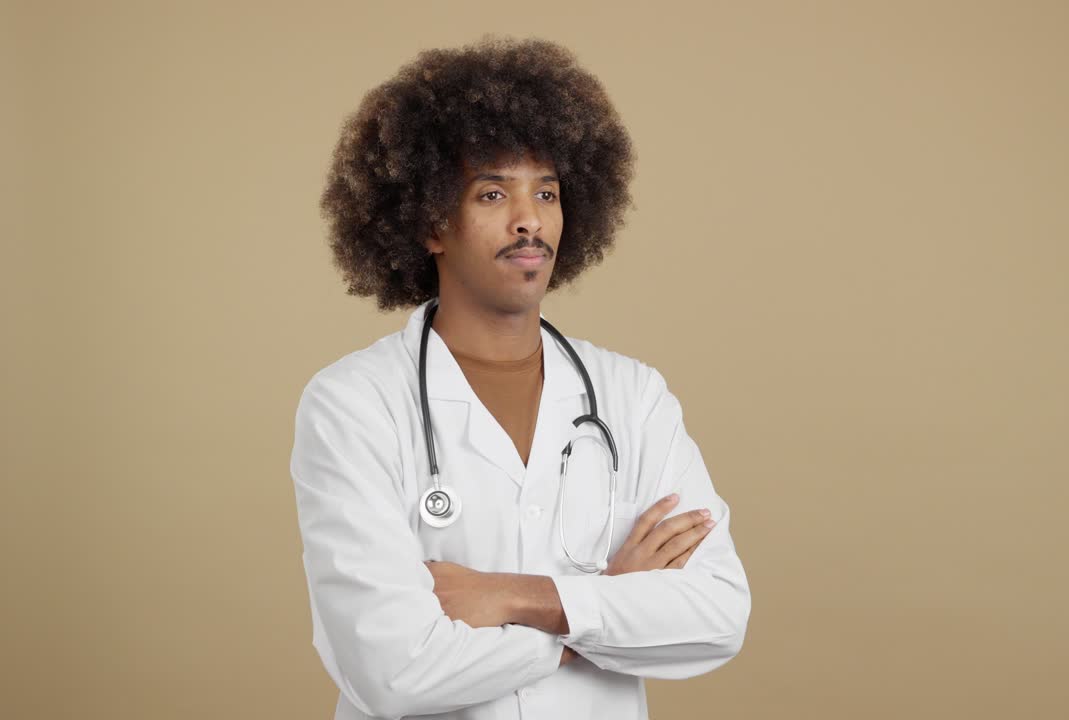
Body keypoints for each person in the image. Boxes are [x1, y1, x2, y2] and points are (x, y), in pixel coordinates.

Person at [290, 35, 750, 720]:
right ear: (430, 224)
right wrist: (604, 607)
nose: (529, 219)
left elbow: (716, 615)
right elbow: (394, 670)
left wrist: (515, 597)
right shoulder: (354, 405)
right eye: (492, 192)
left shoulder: (633, 397)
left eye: (548, 192)